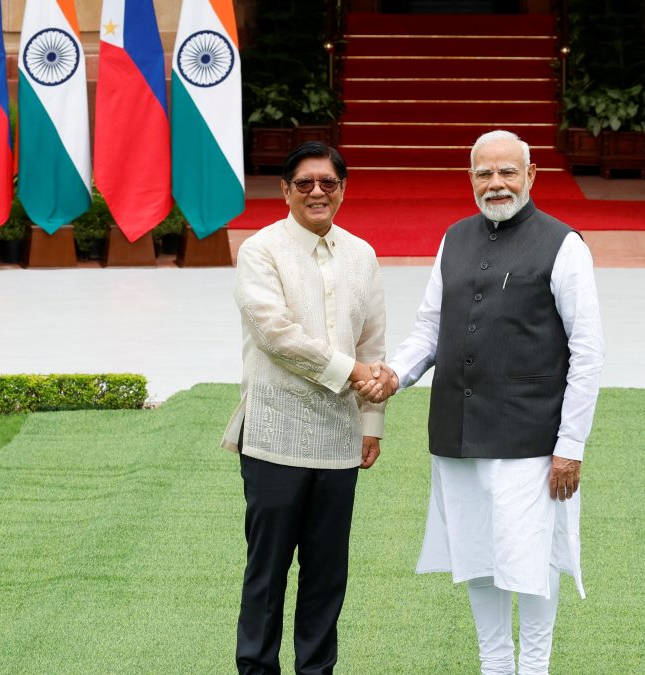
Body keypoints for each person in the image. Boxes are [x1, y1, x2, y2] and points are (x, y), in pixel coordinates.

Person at [359, 129, 605, 675]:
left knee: (531, 559)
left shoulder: (564, 245)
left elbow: (589, 351)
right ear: (470, 178)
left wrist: (570, 445)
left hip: (532, 438)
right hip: (459, 431)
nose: (496, 183)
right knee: (478, 555)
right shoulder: (454, 238)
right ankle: (493, 665)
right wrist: (396, 375)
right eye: (484, 173)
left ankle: (535, 667)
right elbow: (430, 328)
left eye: (507, 172)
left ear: (531, 175)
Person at [221, 141, 395, 675]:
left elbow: (372, 342)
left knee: (327, 575)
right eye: (305, 183)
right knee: (267, 574)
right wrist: (353, 373)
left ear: (343, 189)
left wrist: (371, 422)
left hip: (340, 441)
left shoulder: (362, 255)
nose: (317, 192)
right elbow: (276, 335)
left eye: (328, 182)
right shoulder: (260, 251)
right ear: (285, 190)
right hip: (274, 436)